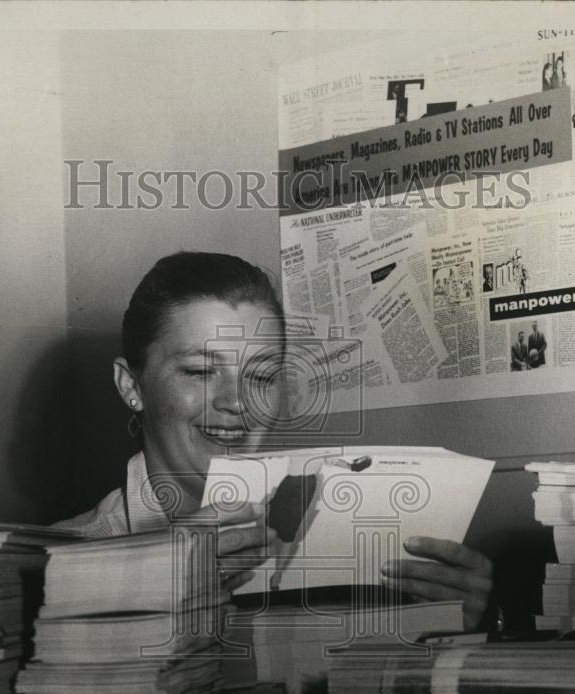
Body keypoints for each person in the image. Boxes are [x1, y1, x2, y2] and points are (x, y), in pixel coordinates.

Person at [56, 251, 494, 631]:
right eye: (199, 371)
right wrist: (149, 595)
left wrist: (460, 623)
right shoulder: (60, 564)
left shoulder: (350, 534)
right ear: (131, 386)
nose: (235, 401)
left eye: (261, 376)